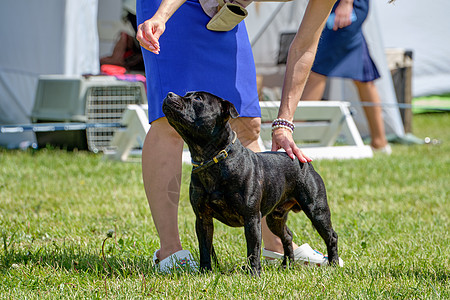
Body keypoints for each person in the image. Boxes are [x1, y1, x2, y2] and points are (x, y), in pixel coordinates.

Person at [136, 0, 339, 272]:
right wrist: (161, 15)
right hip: (173, 8)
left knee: (246, 122)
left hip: (225, 13)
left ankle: (274, 245)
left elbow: (304, 45)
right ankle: (171, 252)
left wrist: (284, 123)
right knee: (170, 121)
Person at [299, 0, 391, 153]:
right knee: (363, 75)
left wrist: (347, 3)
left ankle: (293, 130)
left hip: (345, 8)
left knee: (317, 69)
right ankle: (379, 140)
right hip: (342, 6)